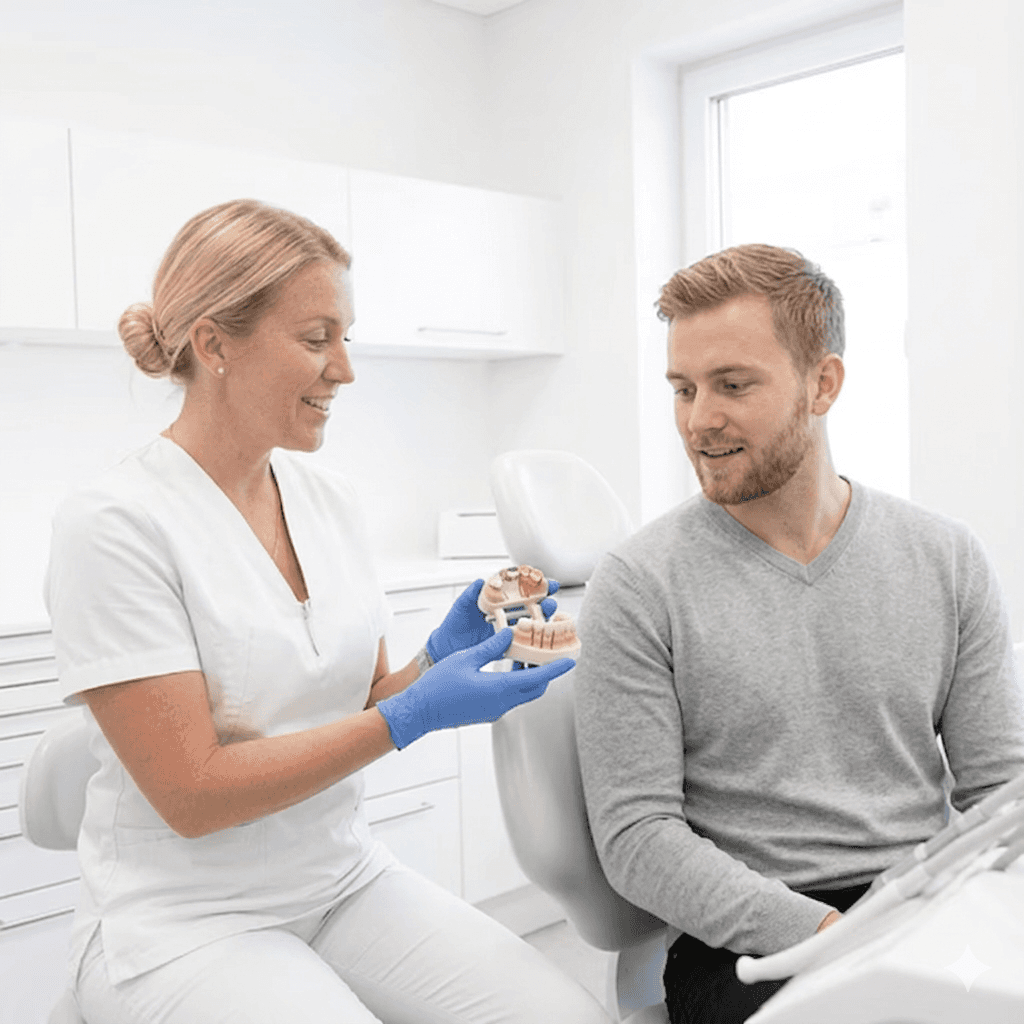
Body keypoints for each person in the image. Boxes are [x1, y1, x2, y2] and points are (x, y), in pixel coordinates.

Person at [44, 198, 612, 1024]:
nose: (344, 368)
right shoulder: (117, 524)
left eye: (345, 337)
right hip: (183, 922)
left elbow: (360, 702)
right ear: (214, 344)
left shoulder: (327, 500)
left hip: (341, 877)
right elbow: (192, 793)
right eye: (316, 339)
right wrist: (412, 715)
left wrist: (434, 661)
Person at [572, 243, 1024, 1024]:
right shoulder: (639, 584)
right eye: (683, 389)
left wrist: (951, 920)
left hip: (923, 908)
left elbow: (1000, 792)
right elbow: (638, 839)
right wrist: (835, 938)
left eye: (732, 384)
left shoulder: (946, 558)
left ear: (823, 384)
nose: (699, 419)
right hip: (747, 945)